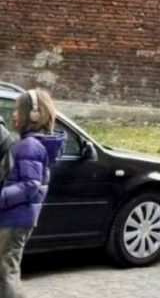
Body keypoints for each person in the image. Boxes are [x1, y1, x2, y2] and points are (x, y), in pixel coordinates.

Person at [0, 89, 64, 297]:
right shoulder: (32, 143)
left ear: (33, 114)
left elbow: (30, 184)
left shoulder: (29, 145)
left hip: (14, 218)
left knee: (6, 270)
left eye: (18, 110)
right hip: (17, 217)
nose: (14, 115)